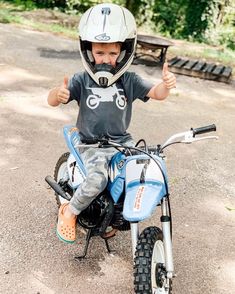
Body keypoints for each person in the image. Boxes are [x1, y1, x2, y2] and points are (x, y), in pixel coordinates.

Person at [47, 3, 176, 244]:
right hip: (91, 145)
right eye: (100, 53)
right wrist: (59, 94)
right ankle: (70, 211)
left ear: (124, 52)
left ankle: (108, 218)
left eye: (113, 54)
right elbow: (52, 100)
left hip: (121, 143)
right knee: (98, 179)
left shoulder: (129, 80)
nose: (106, 59)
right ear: (88, 51)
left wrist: (166, 86)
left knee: (134, 176)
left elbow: (156, 93)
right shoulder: (81, 79)